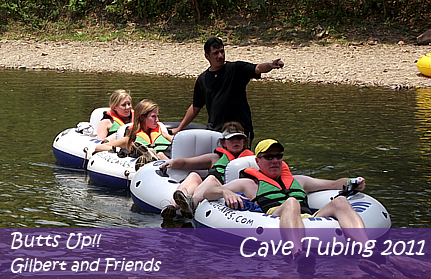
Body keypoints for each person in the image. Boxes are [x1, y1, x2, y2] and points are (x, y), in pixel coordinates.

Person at [182, 139, 384, 269]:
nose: (275, 161)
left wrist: (352, 183)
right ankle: (297, 253)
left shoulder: (299, 181)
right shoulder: (249, 183)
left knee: (340, 201)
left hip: (308, 219)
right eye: (269, 157)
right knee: (292, 202)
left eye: (278, 156)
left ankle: (367, 249)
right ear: (258, 161)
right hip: (276, 215)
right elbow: (208, 192)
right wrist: (225, 191)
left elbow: (332, 184)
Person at [170, 37, 284, 147]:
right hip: (217, 131)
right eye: (216, 53)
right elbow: (196, 107)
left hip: (241, 130)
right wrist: (179, 129)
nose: (220, 56)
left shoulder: (236, 69)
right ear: (207, 56)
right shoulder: (203, 79)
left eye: (222, 51)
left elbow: (257, 68)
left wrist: (270, 65)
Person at [159, 121, 254, 219]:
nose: (236, 142)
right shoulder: (215, 158)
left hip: (225, 190)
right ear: (224, 143)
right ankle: (172, 206)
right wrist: (172, 163)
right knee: (193, 175)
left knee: (211, 179)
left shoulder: (250, 161)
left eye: (239, 139)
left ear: (244, 142)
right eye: (231, 139)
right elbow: (186, 163)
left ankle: (192, 203)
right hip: (209, 191)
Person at [94, 99, 173, 161]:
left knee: (161, 154)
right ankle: (151, 155)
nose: (157, 120)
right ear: (142, 117)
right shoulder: (129, 139)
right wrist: (115, 148)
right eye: (153, 117)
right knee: (158, 154)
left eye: (157, 116)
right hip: (155, 165)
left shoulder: (164, 134)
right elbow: (99, 147)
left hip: (171, 158)